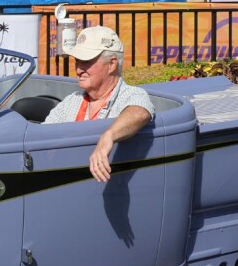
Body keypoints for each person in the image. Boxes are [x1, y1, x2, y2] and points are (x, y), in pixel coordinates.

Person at [44, 26, 155, 183]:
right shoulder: (72, 101)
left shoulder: (131, 95)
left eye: (86, 62)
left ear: (112, 64)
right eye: (77, 61)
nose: (78, 70)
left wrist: (108, 137)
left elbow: (140, 111)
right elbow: (42, 136)